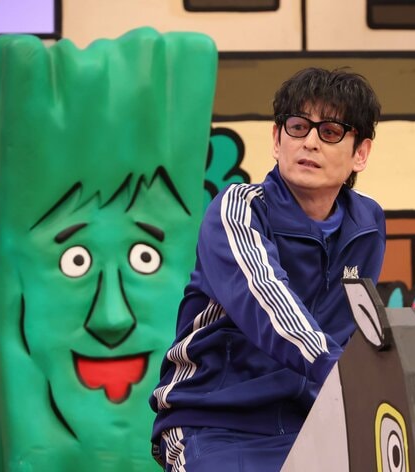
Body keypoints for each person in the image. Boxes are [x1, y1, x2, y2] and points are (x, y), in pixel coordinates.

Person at [150, 67, 386, 471]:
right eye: (298, 127)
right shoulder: (239, 207)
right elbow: (265, 297)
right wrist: (340, 373)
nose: (310, 142)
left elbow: (355, 328)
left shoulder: (368, 223)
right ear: (277, 140)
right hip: (213, 419)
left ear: (360, 153)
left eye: (330, 131)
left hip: (309, 422)